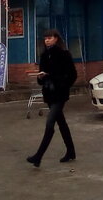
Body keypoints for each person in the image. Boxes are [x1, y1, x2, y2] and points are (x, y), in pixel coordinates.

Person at [26, 29, 77, 167]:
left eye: (49, 38)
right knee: (61, 123)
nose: (47, 40)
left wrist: (60, 83)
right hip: (49, 94)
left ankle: (38, 156)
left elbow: (72, 75)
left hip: (60, 94)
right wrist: (41, 77)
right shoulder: (44, 55)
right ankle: (71, 151)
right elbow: (42, 78)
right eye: (45, 38)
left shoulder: (64, 54)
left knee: (50, 124)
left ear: (56, 39)